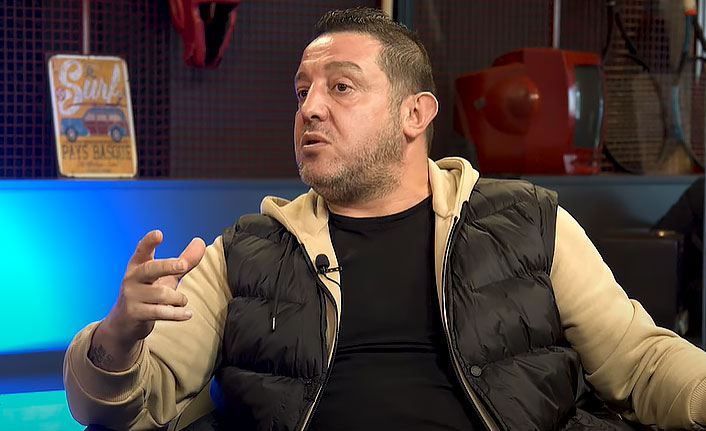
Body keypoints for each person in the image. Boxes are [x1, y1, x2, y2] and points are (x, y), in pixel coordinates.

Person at [64, 7, 706, 431]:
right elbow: (120, 408)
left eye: (340, 87)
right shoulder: (241, 252)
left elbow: (641, 364)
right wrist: (116, 339)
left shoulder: (529, 222)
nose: (309, 108)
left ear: (415, 114)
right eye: (302, 91)